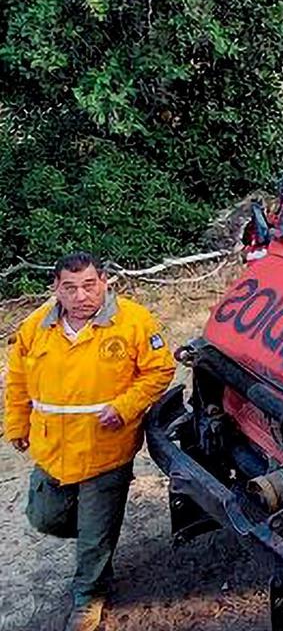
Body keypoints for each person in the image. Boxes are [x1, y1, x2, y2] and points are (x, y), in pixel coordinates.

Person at [5, 252, 176, 631]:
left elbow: (161, 368)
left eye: (89, 285)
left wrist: (126, 406)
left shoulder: (132, 321)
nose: (81, 296)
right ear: (56, 289)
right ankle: (98, 541)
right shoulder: (36, 327)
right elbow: (17, 379)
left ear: (104, 282)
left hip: (106, 450)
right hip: (53, 450)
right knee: (44, 517)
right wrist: (16, 425)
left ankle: (88, 598)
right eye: (70, 287)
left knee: (94, 536)